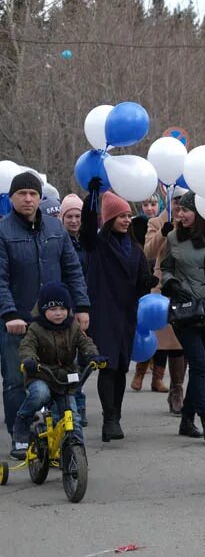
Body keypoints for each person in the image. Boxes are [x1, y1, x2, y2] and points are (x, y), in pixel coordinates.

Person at [0, 172, 90, 458]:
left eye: (33, 194)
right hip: (17, 321)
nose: (28, 199)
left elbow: (73, 269)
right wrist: (10, 312)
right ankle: (20, 435)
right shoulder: (3, 231)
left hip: (56, 322)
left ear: (40, 197)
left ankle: (60, 437)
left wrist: (82, 306)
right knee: (17, 380)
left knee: (61, 378)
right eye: (22, 194)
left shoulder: (55, 228)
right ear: (12, 198)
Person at [81, 181, 158, 443]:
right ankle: (110, 418)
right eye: (121, 216)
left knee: (122, 366)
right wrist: (91, 196)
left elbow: (139, 282)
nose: (126, 220)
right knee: (108, 366)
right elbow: (89, 228)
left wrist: (148, 283)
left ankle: (115, 418)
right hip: (103, 312)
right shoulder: (99, 245)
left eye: (128, 215)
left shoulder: (134, 249)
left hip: (126, 314)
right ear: (110, 218)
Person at [159, 191, 205, 441]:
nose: (180, 214)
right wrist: (170, 283)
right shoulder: (173, 237)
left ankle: (186, 420)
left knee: (202, 368)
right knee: (199, 365)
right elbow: (166, 267)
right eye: (179, 210)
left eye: (185, 210)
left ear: (200, 212)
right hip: (186, 310)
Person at [11, 282, 106, 457]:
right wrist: (29, 360)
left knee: (73, 418)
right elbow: (27, 347)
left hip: (65, 379)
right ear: (42, 310)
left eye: (62, 308)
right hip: (41, 374)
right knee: (41, 393)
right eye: (52, 308)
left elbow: (85, 343)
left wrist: (94, 356)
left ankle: (76, 453)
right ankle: (23, 418)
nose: (58, 313)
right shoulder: (35, 328)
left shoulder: (73, 327)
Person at [141, 188, 190, 408]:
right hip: (163, 288)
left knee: (182, 342)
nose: (180, 206)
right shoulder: (155, 222)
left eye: (184, 202)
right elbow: (147, 252)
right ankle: (154, 378)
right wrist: (163, 231)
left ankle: (177, 390)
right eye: (176, 201)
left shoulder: (195, 219)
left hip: (188, 285)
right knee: (165, 340)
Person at [58, 193, 90, 426]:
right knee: (68, 358)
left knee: (83, 359)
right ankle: (75, 403)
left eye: (78, 215)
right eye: (69, 216)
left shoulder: (89, 242)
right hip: (63, 308)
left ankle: (76, 398)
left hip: (86, 306)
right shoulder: (57, 241)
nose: (73, 220)